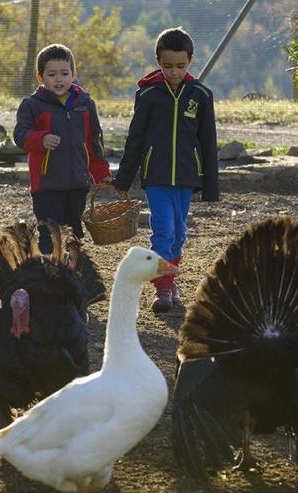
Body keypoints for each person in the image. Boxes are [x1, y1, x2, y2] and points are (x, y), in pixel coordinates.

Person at [112, 27, 219, 313]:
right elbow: (135, 139)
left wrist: (211, 186)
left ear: (190, 61)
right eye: (167, 66)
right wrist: (123, 179)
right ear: (158, 61)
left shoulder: (200, 96)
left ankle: (169, 279)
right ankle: (162, 289)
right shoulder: (147, 95)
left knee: (179, 234)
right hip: (156, 178)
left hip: (186, 178)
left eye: (180, 66)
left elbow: (209, 142)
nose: (173, 72)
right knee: (163, 232)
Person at [14, 43, 112, 254]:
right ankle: (49, 272)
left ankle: (71, 274)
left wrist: (100, 172)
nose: (59, 79)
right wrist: (41, 139)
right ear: (40, 77)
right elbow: (20, 135)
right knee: (50, 233)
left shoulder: (85, 104)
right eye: (52, 74)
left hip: (78, 182)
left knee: (73, 232)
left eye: (64, 73)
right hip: (46, 184)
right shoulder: (32, 105)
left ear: (73, 74)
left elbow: (94, 140)